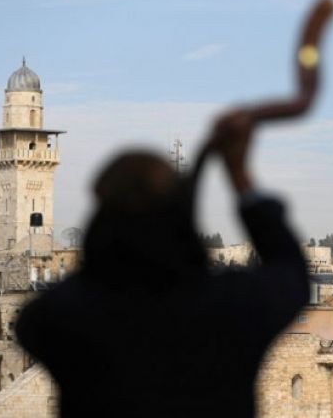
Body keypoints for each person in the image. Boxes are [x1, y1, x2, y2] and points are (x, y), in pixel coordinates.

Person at [16, 109, 309, 417]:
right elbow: (289, 269)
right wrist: (239, 174)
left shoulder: (61, 318)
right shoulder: (232, 306)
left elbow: (43, 312)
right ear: (179, 215)